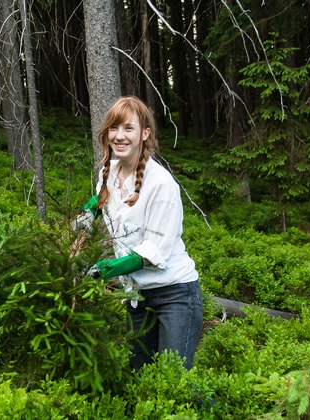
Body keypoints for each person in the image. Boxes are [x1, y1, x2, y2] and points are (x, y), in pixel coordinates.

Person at [76, 96, 203, 371]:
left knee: (175, 378)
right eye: (114, 128)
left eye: (128, 129)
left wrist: (105, 269)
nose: (119, 136)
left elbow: (152, 252)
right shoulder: (109, 172)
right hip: (137, 296)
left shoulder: (161, 185)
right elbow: (101, 199)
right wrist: (86, 217)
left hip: (175, 294)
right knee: (140, 375)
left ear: (145, 134)